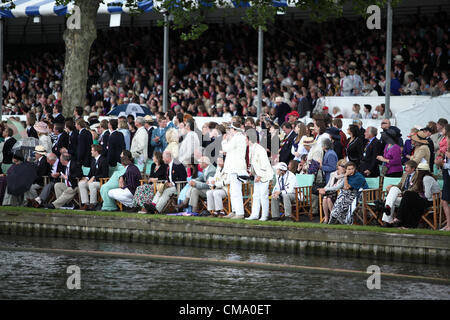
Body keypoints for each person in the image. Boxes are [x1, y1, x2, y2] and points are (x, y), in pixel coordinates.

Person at [391, 163, 440, 229]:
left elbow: (427, 195)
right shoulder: (425, 177)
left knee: (408, 197)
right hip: (430, 200)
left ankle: (401, 220)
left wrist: (419, 195)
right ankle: (403, 222)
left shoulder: (427, 178)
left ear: (420, 171)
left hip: (432, 201)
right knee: (408, 196)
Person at [245, 130, 274, 221]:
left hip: (265, 175)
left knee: (263, 195)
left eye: (245, 139)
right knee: (256, 195)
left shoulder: (260, 149)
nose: (244, 141)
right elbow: (254, 164)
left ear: (250, 139)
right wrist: (251, 172)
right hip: (257, 175)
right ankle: (255, 214)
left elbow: (265, 164)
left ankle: (264, 215)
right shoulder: (251, 148)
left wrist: (260, 175)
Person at [221, 121, 247, 219]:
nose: (230, 131)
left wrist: (224, 140)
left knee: (236, 191)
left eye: (231, 129)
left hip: (236, 167)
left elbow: (226, 148)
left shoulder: (237, 138)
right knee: (233, 190)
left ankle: (239, 212)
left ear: (234, 129)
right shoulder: (238, 137)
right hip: (234, 167)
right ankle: (235, 210)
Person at [382, 160, 418, 226]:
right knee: (393, 189)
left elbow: (415, 188)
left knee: (389, 200)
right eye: (405, 167)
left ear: (413, 168)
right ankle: (388, 210)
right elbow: (400, 185)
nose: (405, 169)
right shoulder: (405, 175)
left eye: (407, 167)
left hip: (408, 198)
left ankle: (387, 221)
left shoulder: (417, 176)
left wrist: (402, 193)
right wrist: (392, 186)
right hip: (400, 197)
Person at [78, 144, 109, 211]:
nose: (91, 152)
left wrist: (94, 177)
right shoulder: (93, 160)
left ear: (96, 151)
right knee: (81, 183)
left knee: (92, 185)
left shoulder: (104, 160)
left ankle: (93, 204)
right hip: (92, 181)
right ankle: (86, 203)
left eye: (92, 150)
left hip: (100, 182)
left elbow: (105, 174)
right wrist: (87, 178)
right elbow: (91, 172)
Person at [318, 159, 346, 223]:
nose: (344, 168)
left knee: (328, 199)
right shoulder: (333, 174)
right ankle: (326, 218)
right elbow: (328, 185)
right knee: (325, 198)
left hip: (338, 193)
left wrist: (326, 189)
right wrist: (323, 189)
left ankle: (333, 217)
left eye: (345, 166)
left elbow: (338, 187)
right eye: (342, 166)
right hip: (330, 191)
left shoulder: (345, 176)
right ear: (338, 166)